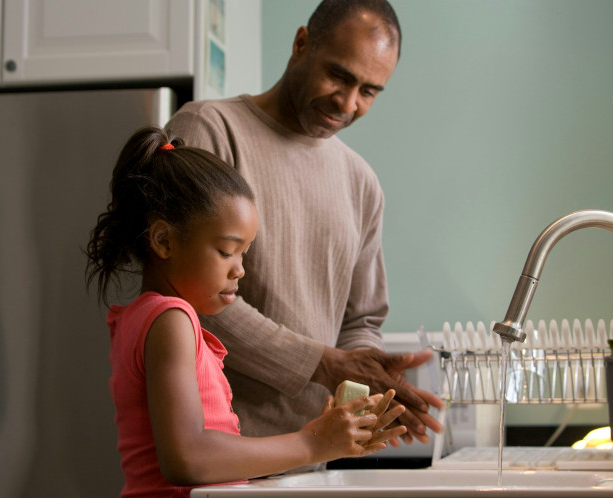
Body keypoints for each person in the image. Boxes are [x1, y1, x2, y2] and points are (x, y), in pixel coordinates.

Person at [165, 0, 443, 448]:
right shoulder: (209, 130)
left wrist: (366, 371)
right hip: (216, 452)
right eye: (340, 76)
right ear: (301, 44)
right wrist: (324, 364)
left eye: (369, 91)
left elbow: (362, 317)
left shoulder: (362, 183)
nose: (348, 103)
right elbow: (186, 293)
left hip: (311, 456)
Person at [85, 126, 406, 498]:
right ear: (164, 240)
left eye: (244, 254)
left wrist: (325, 438)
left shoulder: (147, 317)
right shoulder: (171, 319)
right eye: (226, 251)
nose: (240, 270)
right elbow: (187, 458)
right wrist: (311, 443)